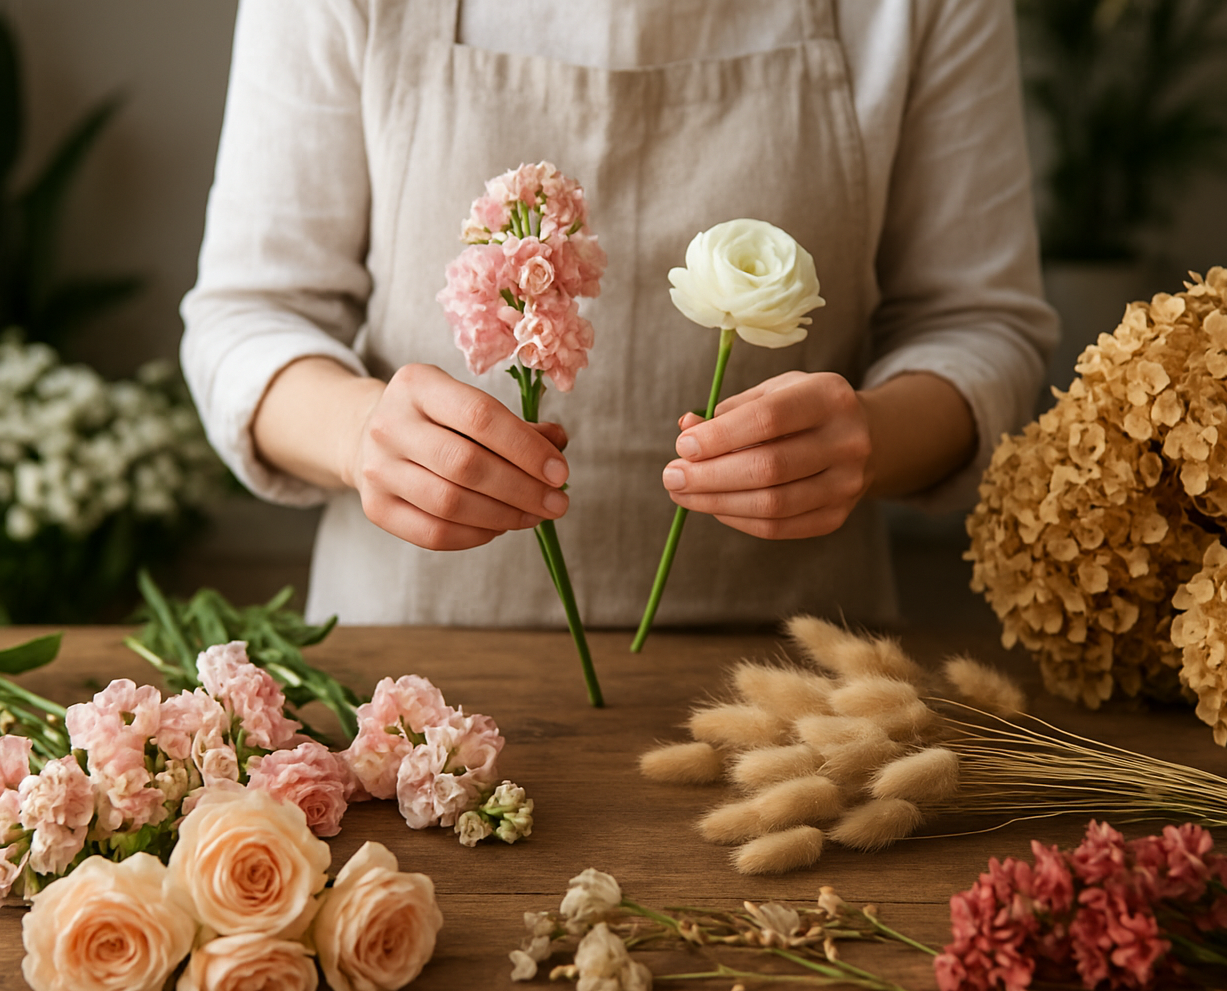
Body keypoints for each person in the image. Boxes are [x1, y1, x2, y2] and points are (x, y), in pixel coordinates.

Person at [181, 0, 1057, 627]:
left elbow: (984, 325)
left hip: (800, 693)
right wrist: (358, 431)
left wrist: (872, 439)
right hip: (415, 671)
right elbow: (249, 313)